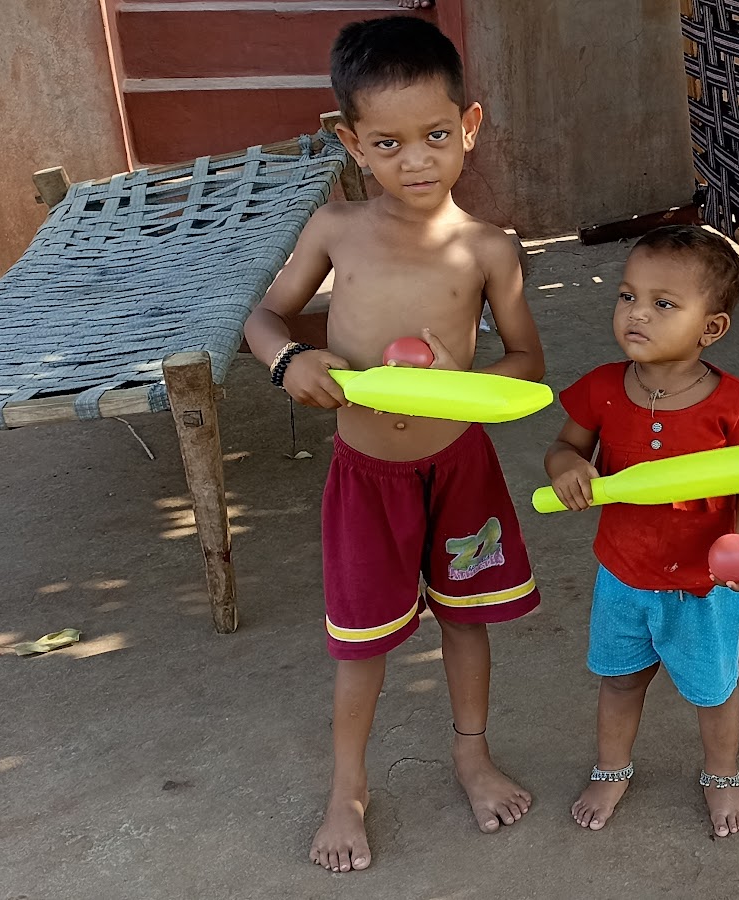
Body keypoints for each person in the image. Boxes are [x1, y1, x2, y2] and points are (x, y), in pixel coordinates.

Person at [241, 16, 545, 873]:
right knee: (363, 640)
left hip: (460, 468)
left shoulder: (489, 250)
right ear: (352, 142)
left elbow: (528, 366)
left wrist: (462, 377)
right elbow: (264, 315)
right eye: (389, 142)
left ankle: (472, 757)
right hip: (367, 474)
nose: (417, 160)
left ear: (469, 127)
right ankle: (348, 789)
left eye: (437, 135)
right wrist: (289, 360)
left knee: (467, 621)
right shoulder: (335, 230)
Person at [543, 226, 739, 837]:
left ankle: (721, 775)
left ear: (711, 328)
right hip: (623, 574)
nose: (637, 313)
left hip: (704, 583)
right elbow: (565, 447)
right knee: (620, 681)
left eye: (663, 303)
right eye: (627, 296)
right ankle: (612, 768)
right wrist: (568, 466)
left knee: (713, 690)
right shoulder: (602, 388)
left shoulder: (733, 404)